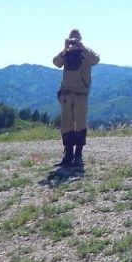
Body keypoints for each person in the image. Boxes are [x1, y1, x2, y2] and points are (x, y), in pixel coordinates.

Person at [52, 28, 100, 170]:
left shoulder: (86, 54)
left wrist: (83, 48)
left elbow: (96, 60)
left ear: (81, 39)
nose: (74, 41)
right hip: (66, 94)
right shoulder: (66, 54)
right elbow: (56, 62)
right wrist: (65, 49)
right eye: (72, 39)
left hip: (81, 94)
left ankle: (78, 155)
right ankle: (68, 155)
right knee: (66, 125)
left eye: (76, 39)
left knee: (80, 124)